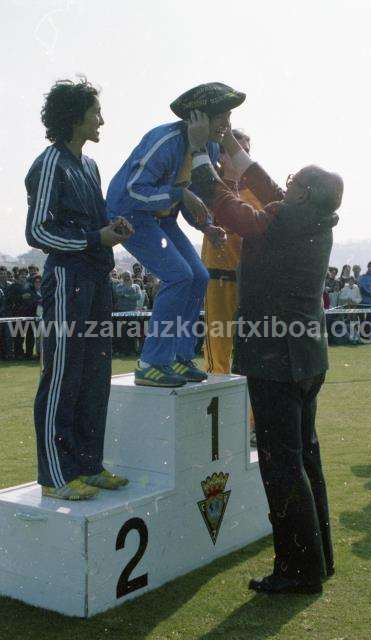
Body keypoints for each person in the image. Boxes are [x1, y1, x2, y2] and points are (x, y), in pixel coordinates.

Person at [189, 113, 342, 594]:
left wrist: (200, 153)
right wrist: (230, 140)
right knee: (307, 460)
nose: (285, 181)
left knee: (282, 466)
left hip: (275, 358)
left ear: (301, 194)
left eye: (293, 179)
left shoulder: (281, 219)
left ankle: (297, 571)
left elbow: (232, 207)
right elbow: (265, 182)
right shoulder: (311, 215)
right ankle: (319, 560)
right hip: (306, 358)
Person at [25, 78, 133, 501]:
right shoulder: (50, 162)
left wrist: (113, 231)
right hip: (67, 281)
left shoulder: (89, 166)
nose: (102, 119)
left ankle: (88, 465)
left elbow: (93, 228)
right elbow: (37, 231)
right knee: (62, 377)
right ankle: (54, 476)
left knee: (94, 375)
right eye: (95, 112)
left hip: (96, 279)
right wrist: (94, 239)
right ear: (75, 117)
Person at [106, 82, 245, 387]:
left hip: (162, 217)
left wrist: (205, 225)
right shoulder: (164, 141)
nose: (227, 125)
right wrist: (180, 195)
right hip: (130, 214)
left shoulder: (206, 146)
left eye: (229, 116)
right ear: (198, 116)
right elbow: (134, 191)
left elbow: (193, 196)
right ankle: (151, 363)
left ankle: (179, 357)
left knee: (199, 276)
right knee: (179, 276)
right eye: (221, 116)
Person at [202, 129, 251, 374]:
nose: (244, 157)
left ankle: (254, 413)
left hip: (249, 282)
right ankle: (217, 404)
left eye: (247, 152)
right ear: (221, 155)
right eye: (237, 151)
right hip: (218, 277)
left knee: (252, 350)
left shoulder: (255, 191)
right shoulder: (211, 186)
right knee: (218, 350)